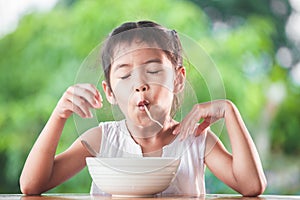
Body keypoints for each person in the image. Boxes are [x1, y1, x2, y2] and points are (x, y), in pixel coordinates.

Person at [20, 20, 267, 197]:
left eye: (153, 71)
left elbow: (251, 187)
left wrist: (229, 110)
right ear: (109, 92)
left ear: (178, 79)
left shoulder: (195, 140)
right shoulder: (103, 138)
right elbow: (31, 185)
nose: (140, 85)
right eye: (125, 75)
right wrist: (59, 115)